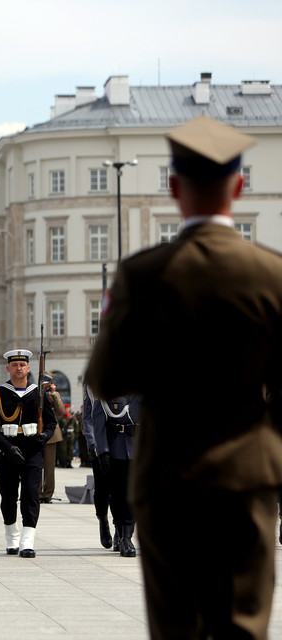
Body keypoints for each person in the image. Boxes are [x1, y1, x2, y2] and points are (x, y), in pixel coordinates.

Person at [85, 115, 282, 639]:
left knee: (177, 629)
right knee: (243, 626)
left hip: (167, 475)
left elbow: (105, 380)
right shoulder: (272, 274)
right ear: (240, 187)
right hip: (249, 477)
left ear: (174, 188)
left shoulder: (142, 275)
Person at [0, 349, 57, 558]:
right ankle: (11, 535)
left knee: (31, 494)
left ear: (28, 368)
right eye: (14, 365)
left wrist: (44, 436)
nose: (18, 368)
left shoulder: (38, 393)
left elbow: (51, 421)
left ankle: (27, 539)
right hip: (6, 449)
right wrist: (7, 447)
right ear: (8, 368)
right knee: (8, 496)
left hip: (32, 448)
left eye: (22, 365)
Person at [81, 386, 139, 557]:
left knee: (132, 495)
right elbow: (92, 418)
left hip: (136, 447)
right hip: (110, 446)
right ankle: (106, 521)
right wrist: (98, 447)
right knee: (108, 492)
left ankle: (125, 536)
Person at [38, 373, 65, 503]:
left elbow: (61, 411)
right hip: (37, 431)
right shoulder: (36, 393)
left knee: (49, 466)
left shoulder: (54, 395)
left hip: (51, 433)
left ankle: (47, 493)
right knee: (37, 464)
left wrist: (54, 395)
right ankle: (37, 492)